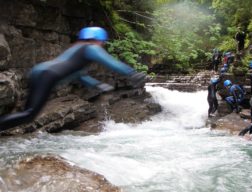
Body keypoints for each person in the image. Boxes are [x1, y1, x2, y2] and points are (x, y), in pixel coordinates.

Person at [0, 26, 146, 132]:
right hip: (48, 75)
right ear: (98, 39)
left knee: (27, 113)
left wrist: (99, 85)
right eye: (103, 42)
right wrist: (132, 73)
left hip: (39, 72)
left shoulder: (77, 49)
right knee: (29, 114)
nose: (102, 45)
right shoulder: (91, 48)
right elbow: (110, 62)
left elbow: (79, 75)